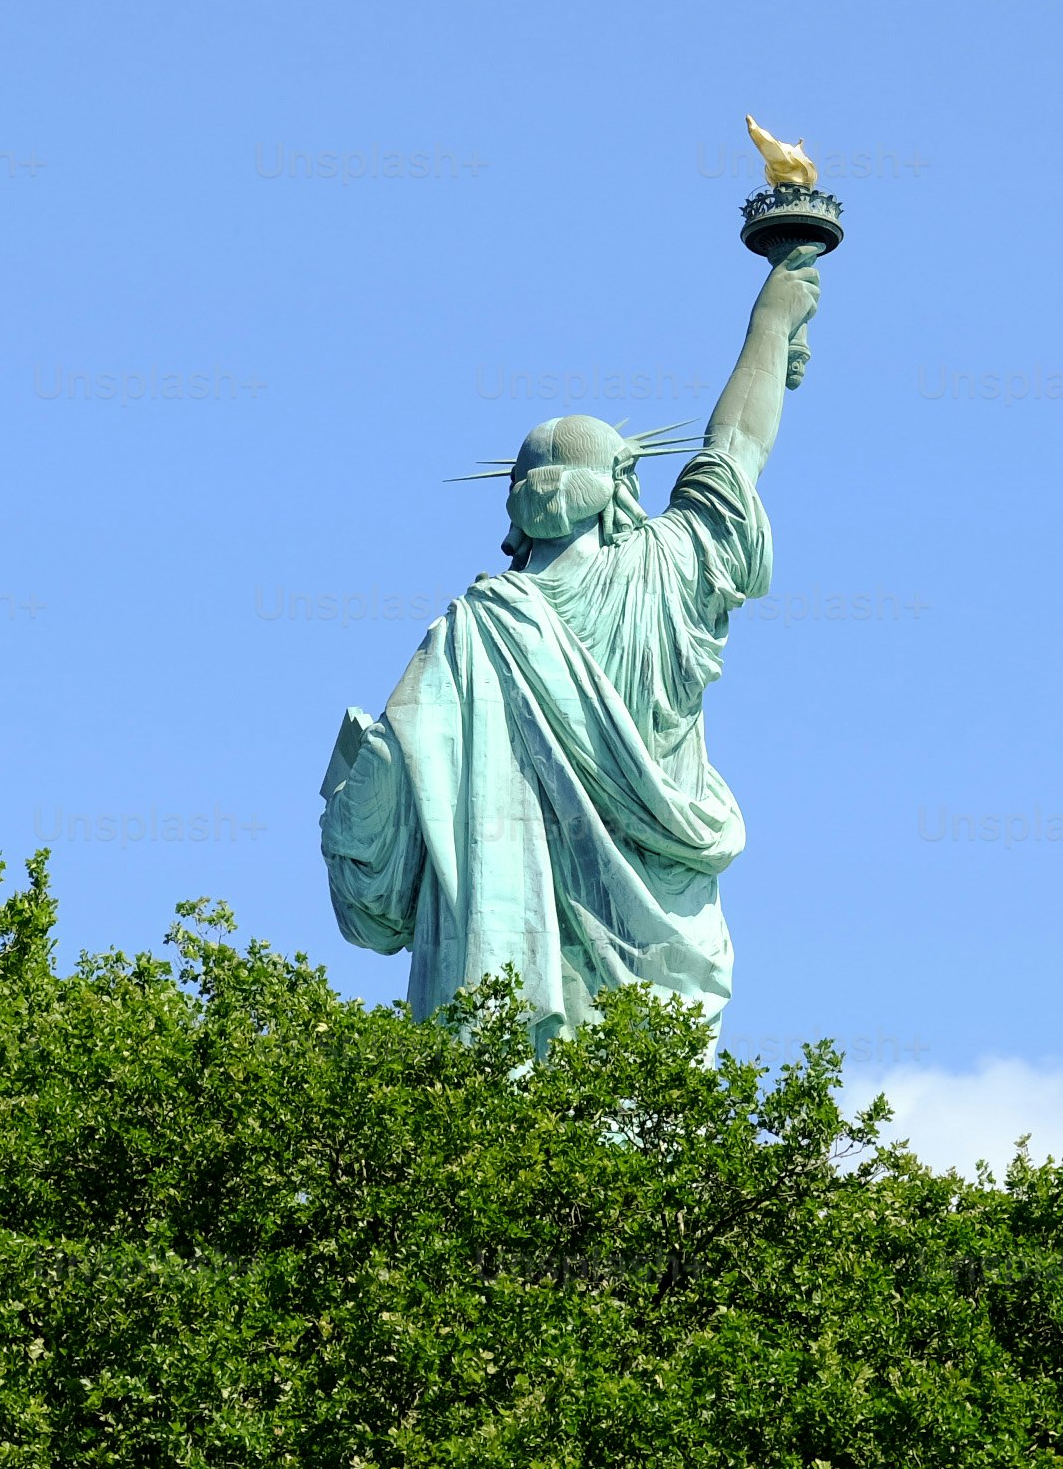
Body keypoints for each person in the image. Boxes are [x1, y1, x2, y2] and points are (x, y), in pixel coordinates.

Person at [318, 245, 823, 1040]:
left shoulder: (473, 629)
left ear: (515, 510)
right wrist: (773, 319)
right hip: (657, 951)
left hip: (495, 973)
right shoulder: (671, 570)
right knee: (642, 1105)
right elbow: (735, 447)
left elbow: (387, 804)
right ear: (622, 490)